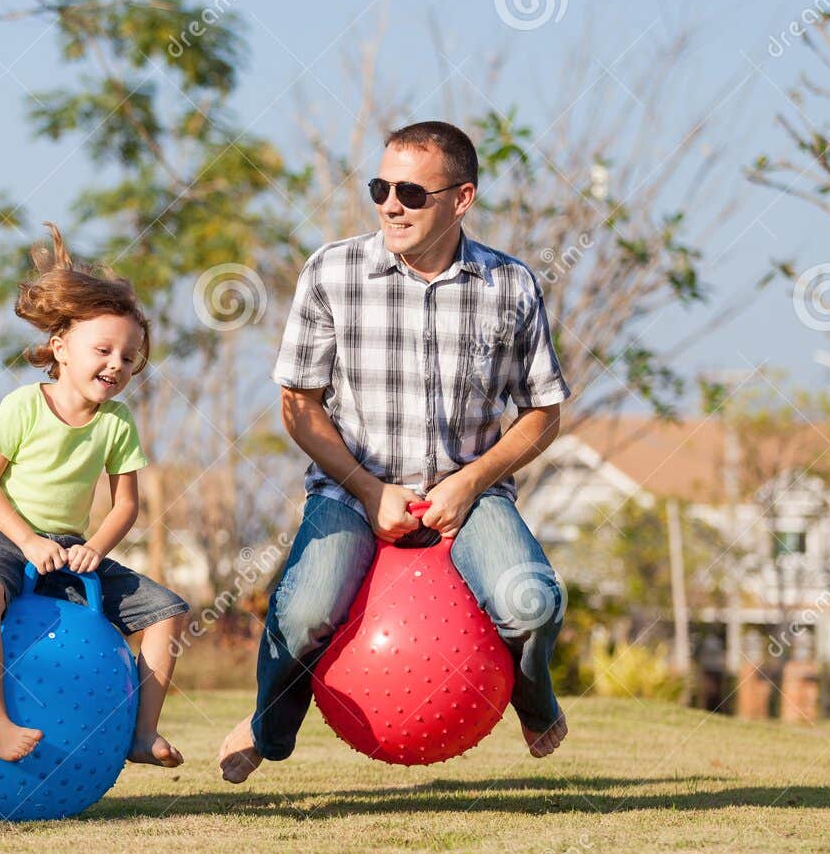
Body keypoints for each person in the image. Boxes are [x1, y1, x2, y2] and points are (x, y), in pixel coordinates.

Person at [219, 120, 572, 784]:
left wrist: (469, 483)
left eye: (411, 191)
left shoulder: (512, 285)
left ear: (461, 198)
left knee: (536, 604)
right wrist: (366, 487)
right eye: (381, 186)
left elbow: (542, 414)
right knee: (303, 611)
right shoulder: (332, 270)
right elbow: (299, 405)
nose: (390, 204)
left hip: (469, 497)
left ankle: (534, 696)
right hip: (352, 491)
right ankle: (272, 725)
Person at [0, 222, 190, 766]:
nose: (117, 364)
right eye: (104, 349)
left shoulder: (117, 423)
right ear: (61, 348)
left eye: (129, 357)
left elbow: (126, 504)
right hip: (1, 535)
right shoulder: (22, 406)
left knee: (168, 613)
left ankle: (141, 732)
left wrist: (96, 548)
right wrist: (26, 540)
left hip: (68, 547)